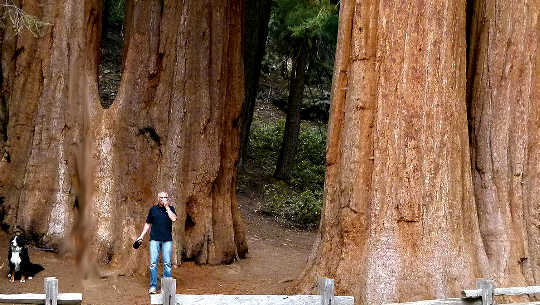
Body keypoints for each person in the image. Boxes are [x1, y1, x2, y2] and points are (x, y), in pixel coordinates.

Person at [136, 191, 177, 294]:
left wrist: (167, 207)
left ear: (167, 198)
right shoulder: (153, 209)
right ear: (158, 198)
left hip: (167, 240)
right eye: (161, 197)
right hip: (154, 239)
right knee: (153, 263)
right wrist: (141, 236)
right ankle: (153, 286)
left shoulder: (171, 209)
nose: (163, 199)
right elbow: (148, 224)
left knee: (167, 263)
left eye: (165, 197)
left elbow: (174, 219)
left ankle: (166, 287)